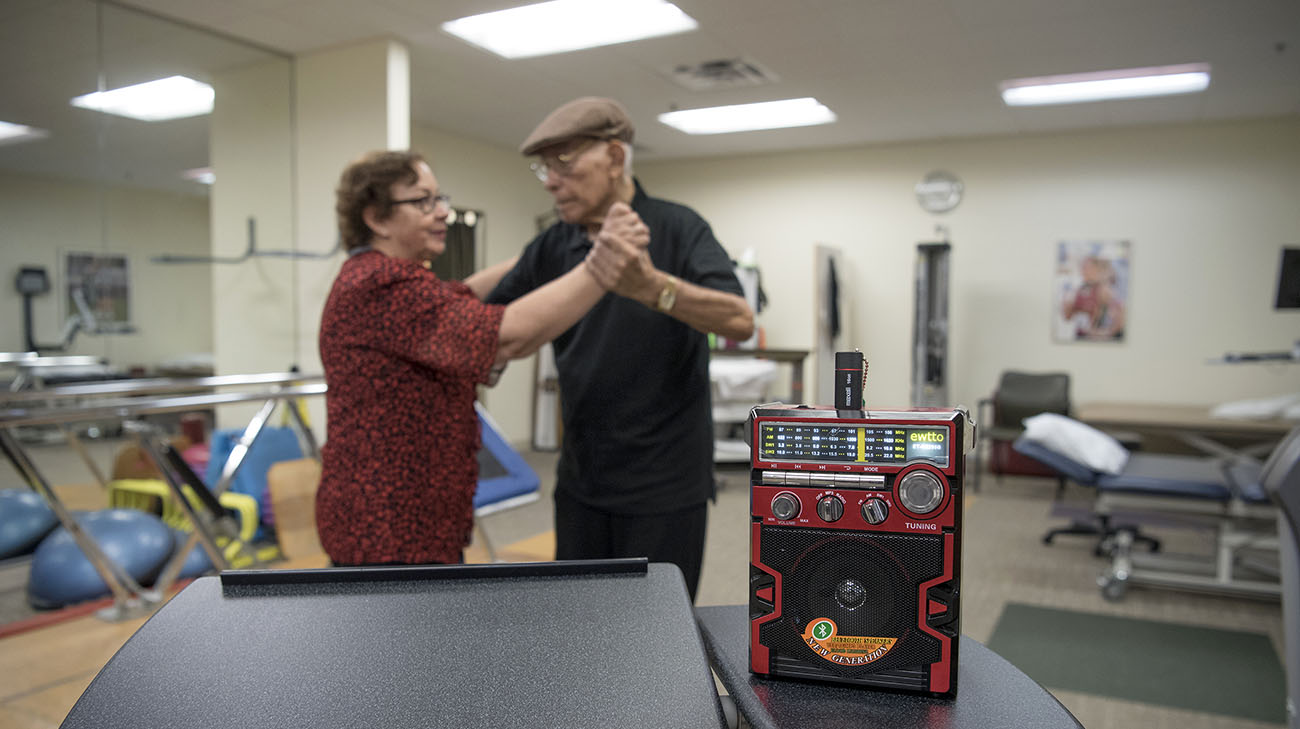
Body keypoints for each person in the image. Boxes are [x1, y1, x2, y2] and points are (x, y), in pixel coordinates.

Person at [316, 149, 649, 566]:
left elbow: (459, 298)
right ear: (376, 218)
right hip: (388, 529)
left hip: (411, 519)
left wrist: (542, 254)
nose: (442, 213)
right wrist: (605, 262)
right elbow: (508, 337)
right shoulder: (380, 284)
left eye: (441, 198)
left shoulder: (391, 279)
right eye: (423, 202)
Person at [485, 97, 755, 600]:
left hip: (666, 484)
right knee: (578, 626)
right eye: (543, 166)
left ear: (613, 158)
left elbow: (738, 318)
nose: (549, 180)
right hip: (582, 482)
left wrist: (654, 287)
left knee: (655, 638)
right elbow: (488, 324)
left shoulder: (677, 227)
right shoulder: (553, 244)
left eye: (564, 162)